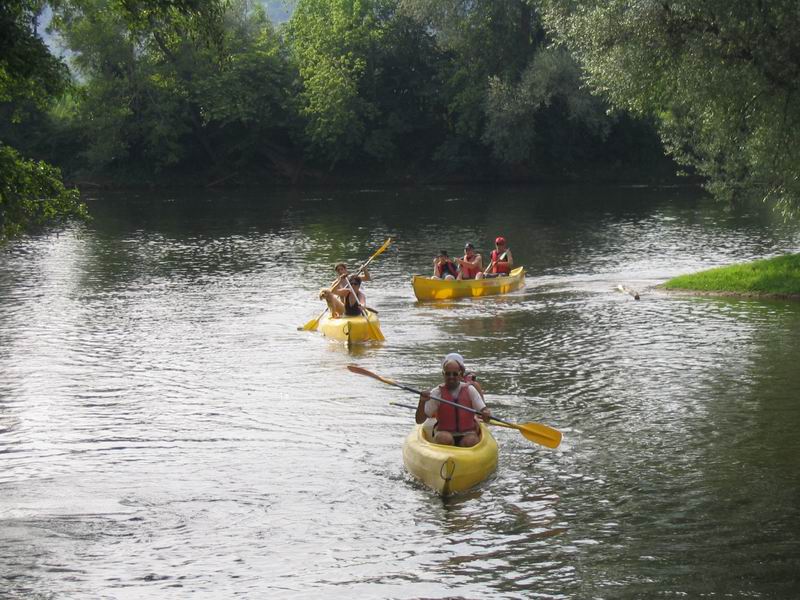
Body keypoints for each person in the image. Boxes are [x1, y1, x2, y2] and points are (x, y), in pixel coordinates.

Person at [415, 353, 491, 447]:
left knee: (471, 441)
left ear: (460, 374)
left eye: (455, 374)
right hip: (444, 432)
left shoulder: (470, 390)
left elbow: (484, 413)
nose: (451, 377)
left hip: (468, 433)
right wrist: (422, 402)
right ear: (443, 374)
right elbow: (419, 420)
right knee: (444, 438)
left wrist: (486, 413)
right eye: (448, 374)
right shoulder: (436, 393)